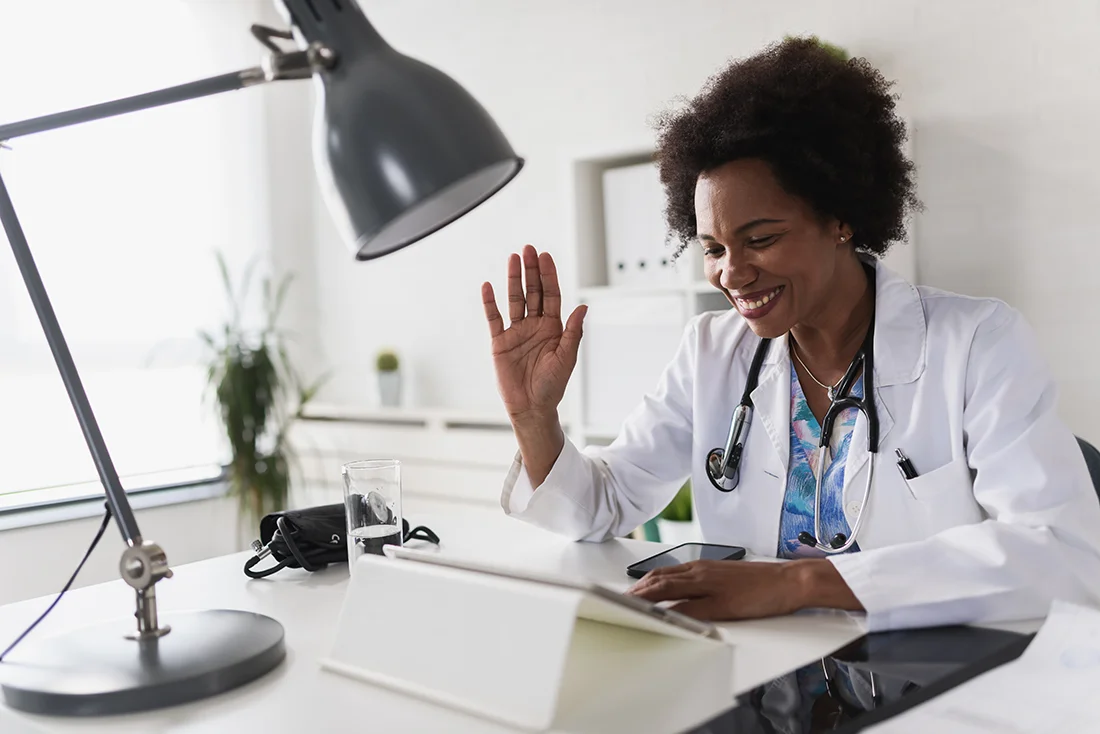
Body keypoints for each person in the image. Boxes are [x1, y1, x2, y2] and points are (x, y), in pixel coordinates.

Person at [479, 37, 1100, 630]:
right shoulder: (711, 352)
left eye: (761, 239)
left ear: (841, 219)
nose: (733, 273)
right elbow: (601, 508)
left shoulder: (976, 342)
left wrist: (797, 583)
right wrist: (535, 418)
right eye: (713, 247)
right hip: (766, 667)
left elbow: (1061, 551)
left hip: (923, 674)